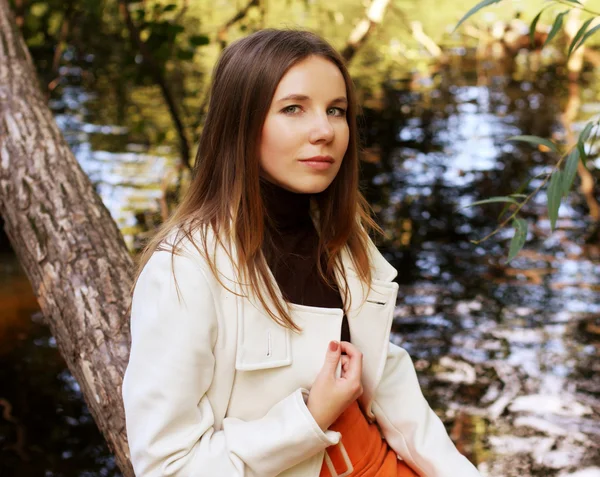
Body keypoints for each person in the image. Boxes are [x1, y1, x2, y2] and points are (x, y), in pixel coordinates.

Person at [122, 29, 481, 477]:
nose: (324, 131)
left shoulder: (344, 240)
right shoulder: (186, 269)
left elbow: (388, 382)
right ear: (242, 123)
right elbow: (166, 467)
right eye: (294, 108)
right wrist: (308, 417)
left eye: (336, 111)